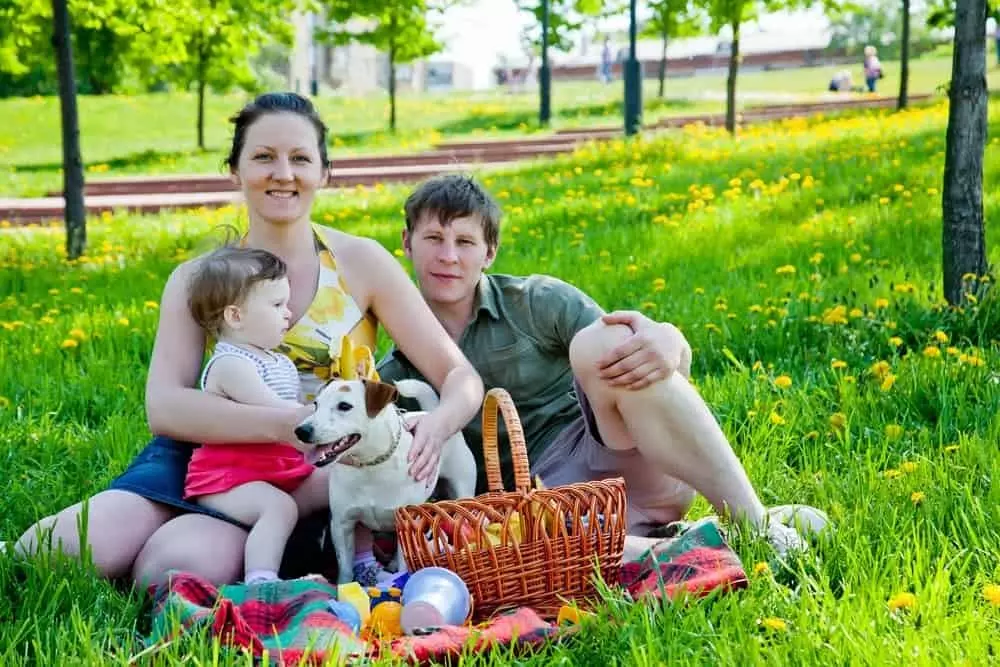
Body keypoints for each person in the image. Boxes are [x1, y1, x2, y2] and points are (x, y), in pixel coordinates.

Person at [13, 93, 484, 588]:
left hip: (303, 479)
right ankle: (155, 525)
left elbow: (459, 376)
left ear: (325, 171)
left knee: (172, 569)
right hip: (204, 460)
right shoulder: (203, 277)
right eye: (263, 157)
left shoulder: (361, 263)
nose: (284, 173)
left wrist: (437, 426)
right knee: (52, 551)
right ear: (234, 169)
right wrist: (281, 423)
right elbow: (166, 407)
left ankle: (188, 543)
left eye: (301, 158)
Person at [376, 173, 805, 553]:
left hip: (612, 457)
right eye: (434, 238)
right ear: (407, 243)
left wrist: (672, 342)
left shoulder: (537, 302)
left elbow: (638, 352)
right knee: (522, 537)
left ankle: (755, 520)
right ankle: (692, 542)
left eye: (465, 242)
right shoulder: (395, 373)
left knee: (605, 341)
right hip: (547, 511)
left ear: (489, 252)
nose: (448, 256)